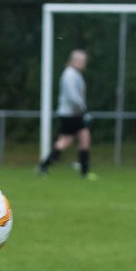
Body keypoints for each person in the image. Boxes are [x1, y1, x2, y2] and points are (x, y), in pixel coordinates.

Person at [38, 49, 96, 180]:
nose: (83, 63)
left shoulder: (75, 74)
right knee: (65, 141)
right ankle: (44, 165)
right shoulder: (70, 74)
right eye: (80, 61)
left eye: (83, 61)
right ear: (73, 61)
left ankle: (84, 172)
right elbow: (72, 96)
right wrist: (83, 108)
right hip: (70, 114)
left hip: (75, 113)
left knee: (84, 137)